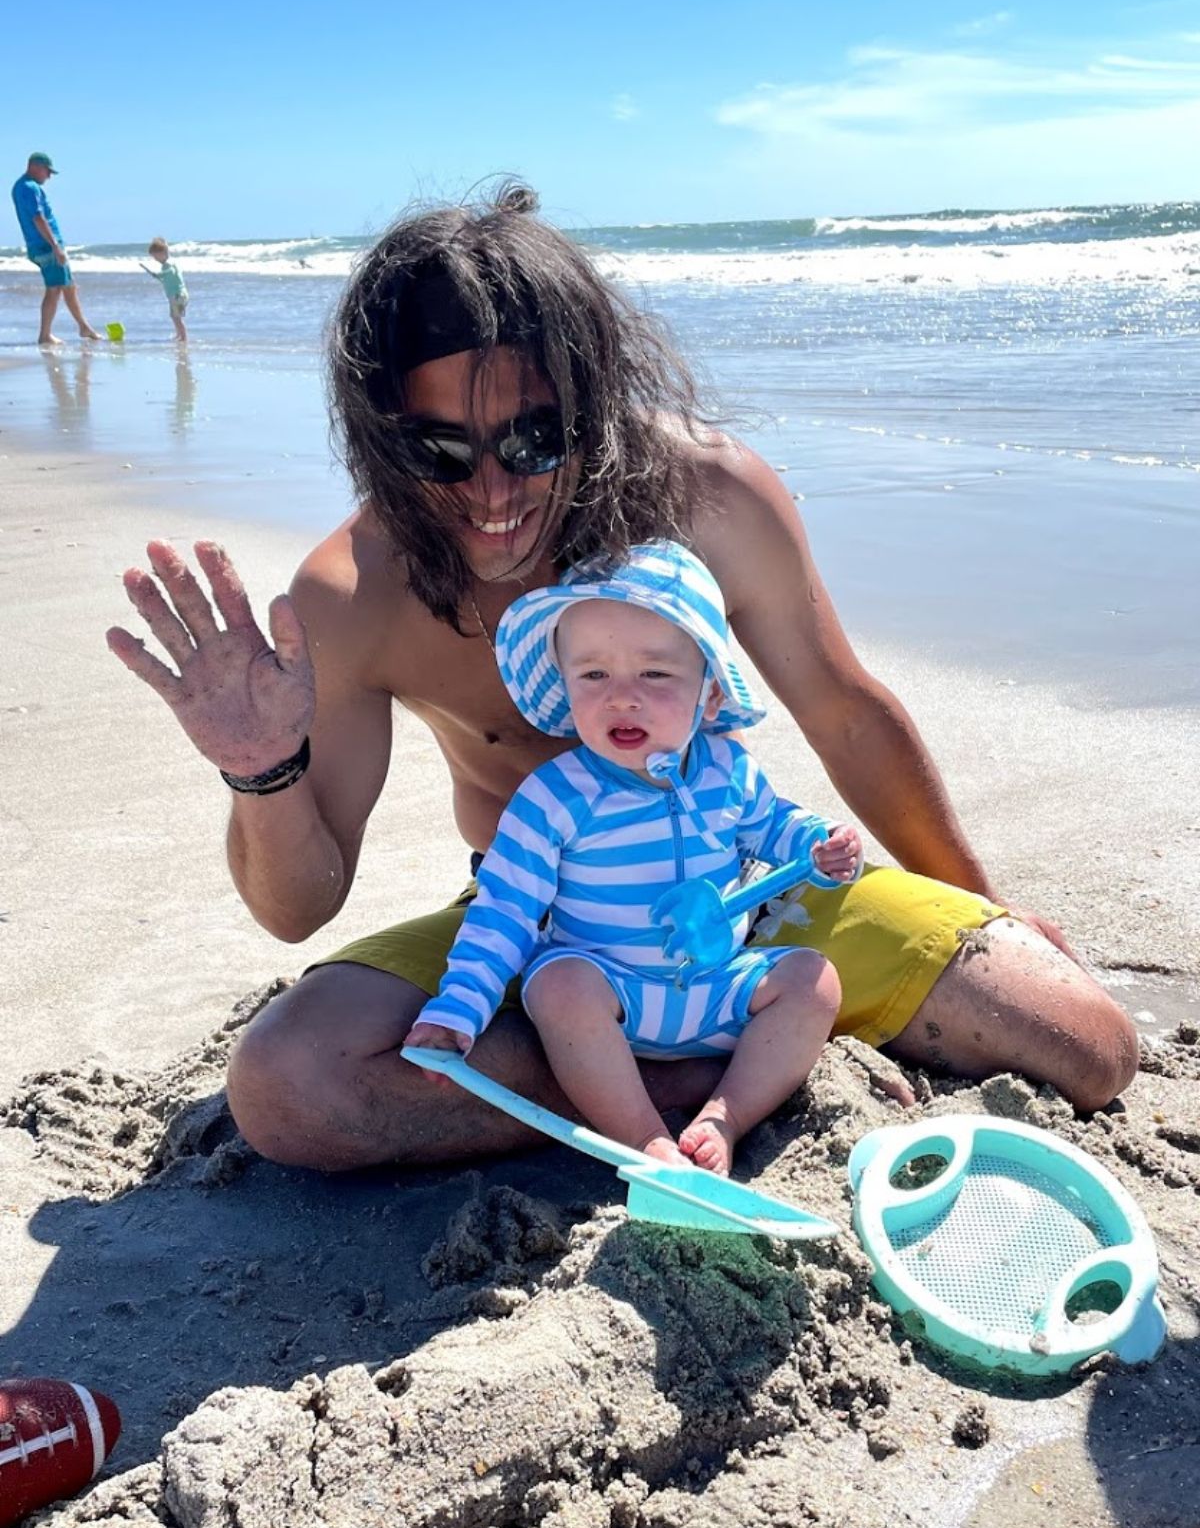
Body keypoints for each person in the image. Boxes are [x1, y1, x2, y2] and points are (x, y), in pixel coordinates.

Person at [105, 183, 1139, 1174]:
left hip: (747, 900)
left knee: (1087, 1044)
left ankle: (713, 1057)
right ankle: (706, 1081)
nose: (493, 493)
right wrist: (262, 772)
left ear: (591, 405)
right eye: (441, 451)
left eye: (532, 440)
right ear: (384, 440)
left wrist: (975, 905)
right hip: (545, 935)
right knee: (290, 1086)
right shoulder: (356, 591)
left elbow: (845, 713)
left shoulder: (711, 497)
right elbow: (300, 907)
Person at [406, 542, 863, 1176]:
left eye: (655, 675)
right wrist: (459, 1008)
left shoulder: (728, 770)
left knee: (813, 983)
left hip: (717, 988)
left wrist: (817, 844)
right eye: (594, 675)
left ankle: (722, 1118)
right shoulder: (555, 797)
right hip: (613, 993)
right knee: (557, 984)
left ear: (708, 697)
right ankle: (645, 1138)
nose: (622, 697)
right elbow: (504, 911)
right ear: (566, 689)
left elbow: (773, 827)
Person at [10, 153, 102, 346]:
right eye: (47, 171)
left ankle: (84, 327)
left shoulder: (23, 186)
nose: (49, 177)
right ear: (34, 166)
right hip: (46, 246)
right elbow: (38, 218)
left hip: (44, 245)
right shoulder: (28, 187)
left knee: (69, 286)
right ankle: (45, 335)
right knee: (53, 289)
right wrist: (55, 247)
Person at [139, 238, 189, 342]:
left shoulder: (168, 264)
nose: (155, 259)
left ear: (163, 253)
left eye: (155, 256)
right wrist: (159, 276)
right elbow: (169, 276)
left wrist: (160, 274)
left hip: (177, 295)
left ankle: (184, 337)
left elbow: (169, 271)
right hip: (177, 295)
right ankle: (179, 334)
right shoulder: (168, 264)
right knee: (174, 316)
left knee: (177, 317)